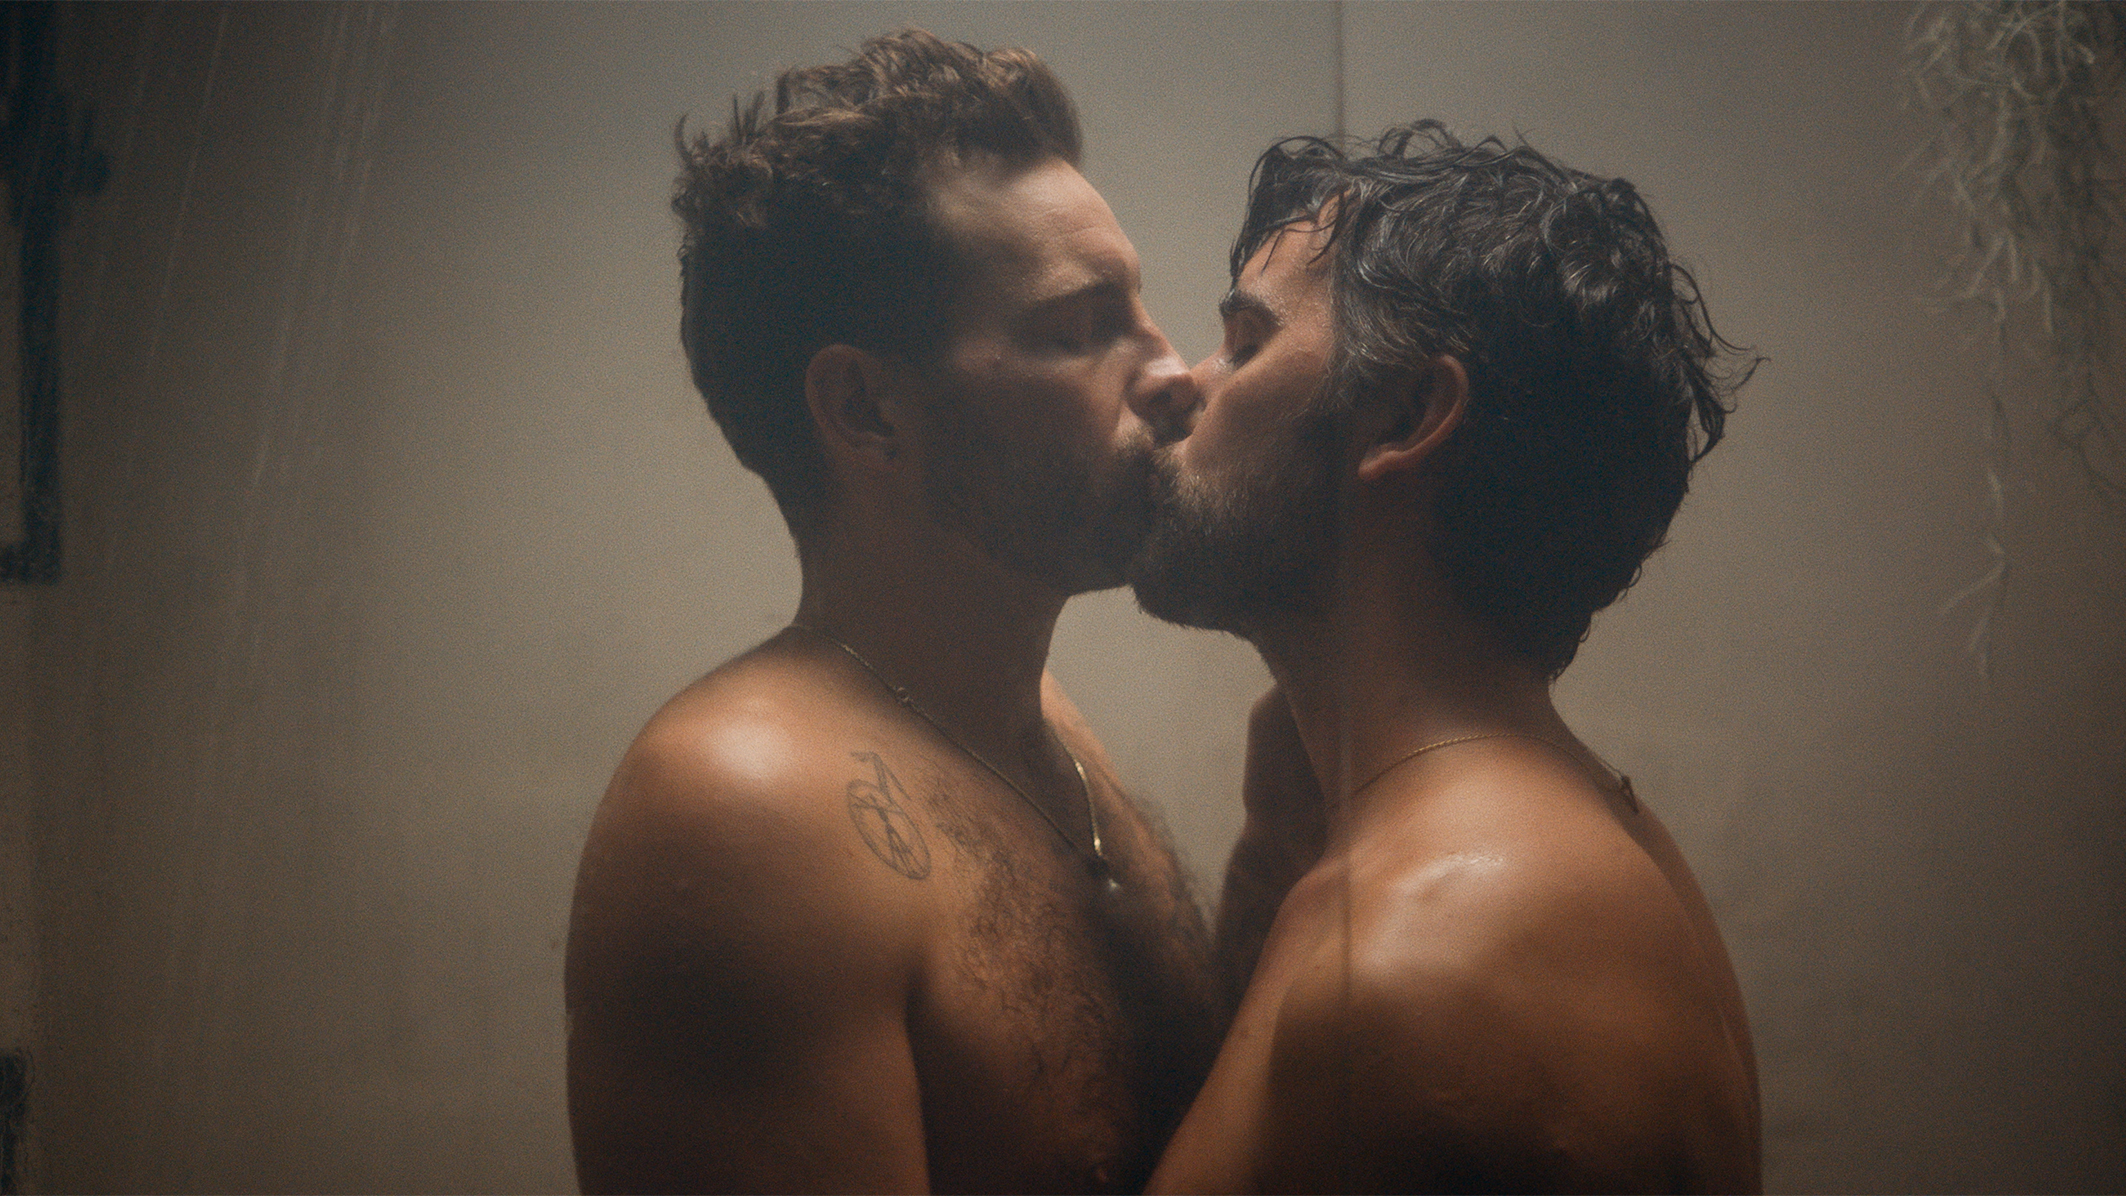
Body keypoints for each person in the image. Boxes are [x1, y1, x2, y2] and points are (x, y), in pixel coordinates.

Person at [564, 31, 1220, 1194]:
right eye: (1078, 329)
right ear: (866, 409)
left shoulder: (1036, 718)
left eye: (1138, 306)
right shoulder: (742, 812)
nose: (1175, 373)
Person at [1131, 122, 1763, 1193]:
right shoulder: (1545, 838)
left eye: (1243, 342)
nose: (1183, 384)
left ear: (1407, 414)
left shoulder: (1427, 953)